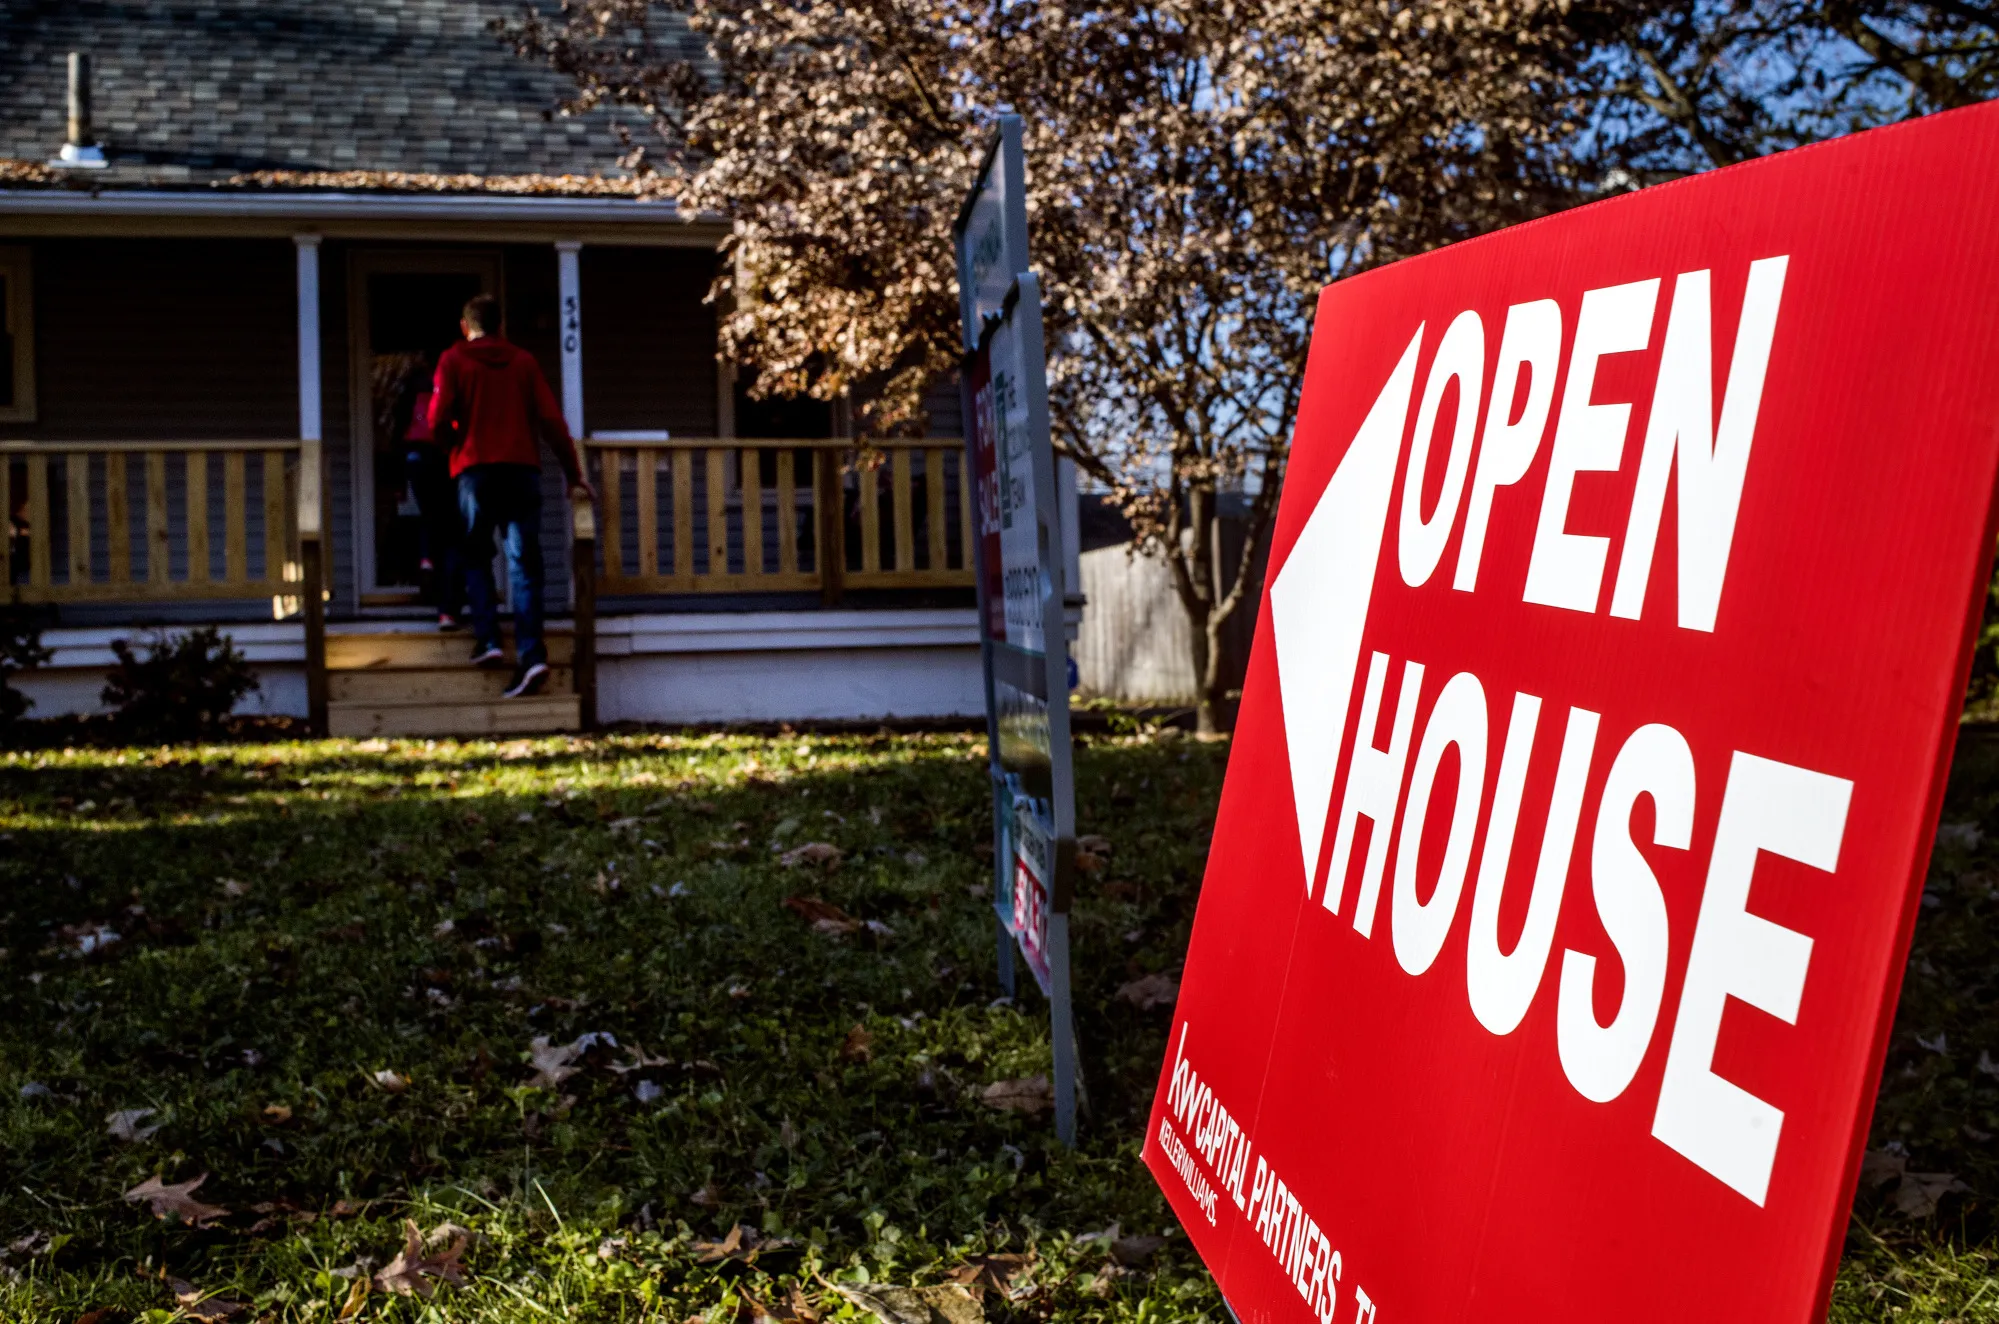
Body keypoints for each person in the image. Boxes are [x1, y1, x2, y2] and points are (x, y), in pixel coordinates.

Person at [427, 294, 593, 699]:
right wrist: (574, 473)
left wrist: (453, 442)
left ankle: (488, 640)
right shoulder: (523, 363)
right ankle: (532, 655)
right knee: (524, 564)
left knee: (476, 555)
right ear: (501, 327)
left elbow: (436, 419)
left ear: (465, 327)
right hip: (521, 472)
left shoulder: (453, 360)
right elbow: (553, 421)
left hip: (475, 471)